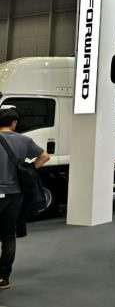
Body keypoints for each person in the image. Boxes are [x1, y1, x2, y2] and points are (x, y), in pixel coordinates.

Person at [0, 108, 50, 290]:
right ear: (14, 123)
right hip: (15, 194)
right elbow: (45, 156)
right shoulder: (24, 140)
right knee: (8, 235)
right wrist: (30, 169)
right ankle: (3, 278)